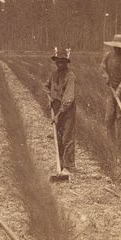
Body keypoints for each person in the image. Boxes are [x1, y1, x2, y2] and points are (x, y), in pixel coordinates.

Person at [44, 48, 76, 180]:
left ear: (67, 63)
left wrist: (58, 115)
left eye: (63, 62)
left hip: (67, 110)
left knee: (67, 137)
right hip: (56, 107)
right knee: (58, 136)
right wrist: (49, 96)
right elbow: (46, 85)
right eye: (58, 62)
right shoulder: (54, 74)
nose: (60, 64)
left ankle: (67, 166)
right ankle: (61, 164)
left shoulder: (70, 76)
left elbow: (68, 99)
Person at [100, 33, 121, 141]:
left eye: (120, 47)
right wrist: (106, 77)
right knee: (109, 116)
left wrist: (119, 90)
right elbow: (102, 68)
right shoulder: (108, 55)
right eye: (116, 46)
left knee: (120, 117)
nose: (117, 49)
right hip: (111, 89)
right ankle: (111, 141)